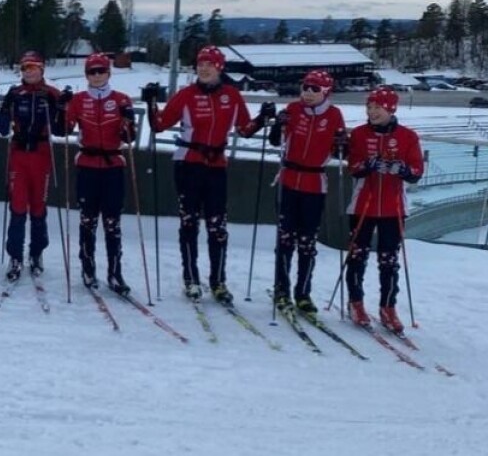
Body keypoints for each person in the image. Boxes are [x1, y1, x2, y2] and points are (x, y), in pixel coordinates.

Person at [144, 45, 273, 305]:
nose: (204, 68)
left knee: (218, 226)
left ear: (219, 68)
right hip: (188, 164)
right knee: (189, 222)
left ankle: (218, 281)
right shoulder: (186, 95)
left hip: (217, 165)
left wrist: (263, 118)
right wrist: (151, 101)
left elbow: (245, 130)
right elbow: (158, 125)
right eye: (200, 64)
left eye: (209, 64)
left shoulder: (232, 95)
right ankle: (191, 279)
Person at [344, 86, 423, 334]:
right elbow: (353, 167)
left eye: (377, 107)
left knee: (389, 260)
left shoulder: (408, 137)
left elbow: (416, 172)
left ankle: (388, 307)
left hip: (393, 207)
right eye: (369, 107)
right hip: (362, 204)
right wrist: (369, 165)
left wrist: (402, 170)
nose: (372, 111)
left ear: (390, 109)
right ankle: (355, 302)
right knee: (357, 255)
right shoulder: (358, 134)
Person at [267, 69, 347, 314]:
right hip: (289, 179)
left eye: (315, 89)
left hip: (314, 183)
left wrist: (343, 144)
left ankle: (303, 293)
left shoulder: (334, 115)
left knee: (307, 242)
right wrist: (276, 125)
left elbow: (339, 150)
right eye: (305, 88)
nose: (308, 93)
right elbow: (274, 141)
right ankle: (281, 289)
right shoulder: (292, 109)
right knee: (285, 239)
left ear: (325, 92)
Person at [61, 53, 133, 295]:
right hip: (88, 165)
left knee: (112, 223)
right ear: (86, 75)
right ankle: (87, 267)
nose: (97, 75)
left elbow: (129, 138)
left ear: (109, 73)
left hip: (113, 166)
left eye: (101, 71)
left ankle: (115, 273)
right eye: (92, 72)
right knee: (88, 220)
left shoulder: (122, 99)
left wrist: (129, 121)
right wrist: (63, 106)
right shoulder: (80, 100)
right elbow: (64, 129)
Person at [0, 51, 66, 280]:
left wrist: (62, 109)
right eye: (25, 68)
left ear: (42, 69)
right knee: (17, 208)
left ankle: (36, 253)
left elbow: (62, 131)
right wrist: (5, 113)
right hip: (18, 155)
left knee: (38, 208)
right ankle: (15, 256)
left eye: (34, 67)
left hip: (42, 156)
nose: (30, 72)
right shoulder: (15, 93)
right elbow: (2, 129)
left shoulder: (51, 94)